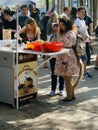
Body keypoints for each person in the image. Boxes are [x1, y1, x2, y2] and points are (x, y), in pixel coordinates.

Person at [54, 17, 83, 102]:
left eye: (62, 25)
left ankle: (68, 97)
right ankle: (72, 95)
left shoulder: (68, 34)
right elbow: (59, 40)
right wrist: (59, 30)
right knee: (68, 78)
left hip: (67, 57)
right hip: (68, 56)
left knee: (67, 79)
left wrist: (64, 63)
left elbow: (66, 48)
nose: (61, 27)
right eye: (60, 25)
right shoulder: (70, 32)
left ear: (67, 24)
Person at [74, 6, 93, 78]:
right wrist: (83, 37)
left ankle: (82, 72)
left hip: (83, 42)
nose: (83, 13)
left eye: (84, 12)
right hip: (79, 42)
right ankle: (83, 72)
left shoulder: (83, 20)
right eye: (82, 11)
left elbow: (85, 31)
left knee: (83, 58)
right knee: (84, 58)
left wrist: (88, 38)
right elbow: (76, 32)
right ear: (78, 12)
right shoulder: (77, 21)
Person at [49, 23, 64, 96]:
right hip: (53, 57)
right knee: (53, 74)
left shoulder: (63, 36)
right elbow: (50, 44)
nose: (56, 29)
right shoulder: (52, 36)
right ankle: (53, 89)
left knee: (61, 73)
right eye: (54, 27)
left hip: (61, 57)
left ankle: (61, 89)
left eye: (57, 27)